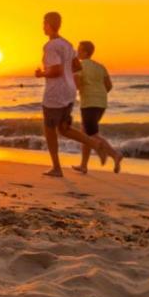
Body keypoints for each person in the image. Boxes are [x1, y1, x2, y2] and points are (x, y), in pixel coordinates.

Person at [35, 12, 107, 177]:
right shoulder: (67, 44)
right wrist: (65, 73)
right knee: (64, 128)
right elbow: (77, 67)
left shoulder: (51, 46)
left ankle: (56, 168)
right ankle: (95, 144)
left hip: (55, 93)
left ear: (49, 24)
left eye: (44, 23)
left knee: (50, 130)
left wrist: (41, 74)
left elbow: (56, 71)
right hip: (69, 91)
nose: (42, 27)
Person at [73, 41, 123, 174]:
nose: (77, 52)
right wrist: (98, 94)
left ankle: (115, 154)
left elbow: (77, 85)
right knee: (86, 133)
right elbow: (109, 86)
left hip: (89, 103)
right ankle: (83, 165)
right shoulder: (100, 67)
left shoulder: (79, 66)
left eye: (79, 50)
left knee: (91, 134)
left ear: (85, 52)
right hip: (101, 103)